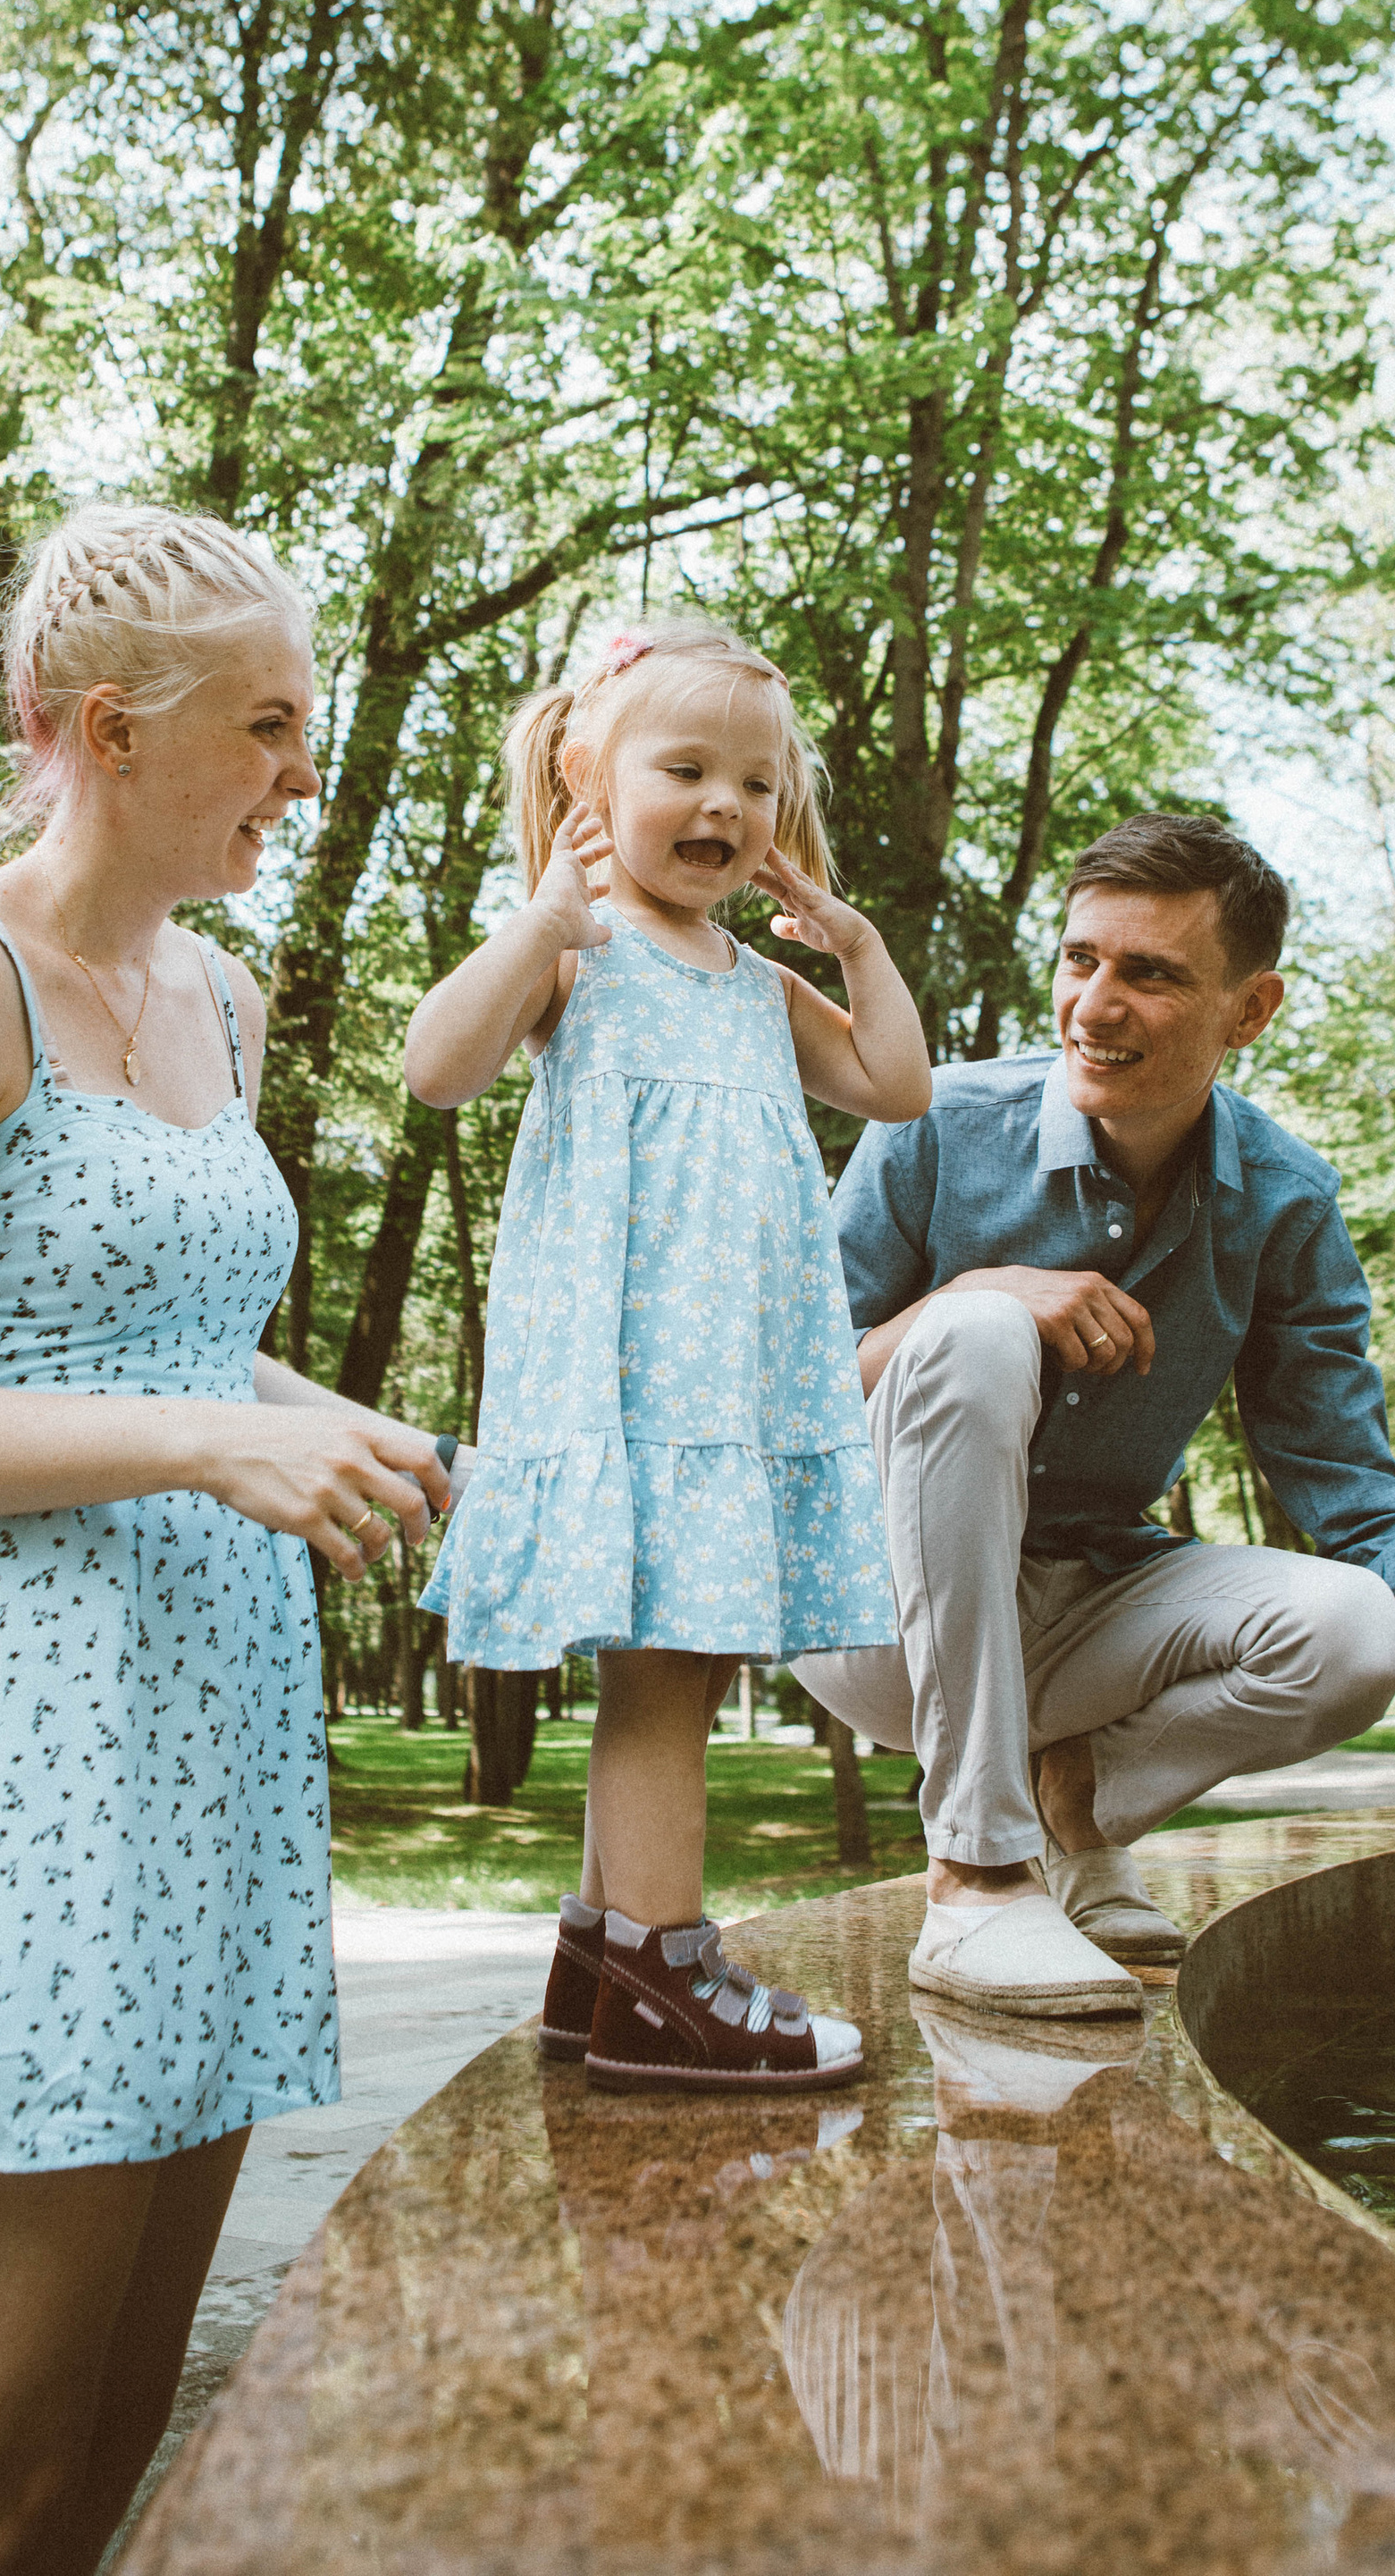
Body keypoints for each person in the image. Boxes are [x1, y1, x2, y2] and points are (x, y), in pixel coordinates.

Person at [0, 505, 449, 2576]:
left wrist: (394, 1449)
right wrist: (193, 1448)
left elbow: (196, 1351)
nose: (301, 773)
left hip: (215, 1748)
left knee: (108, 2444)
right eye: (268, 725)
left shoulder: (216, 1001)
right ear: (107, 731)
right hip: (19, 1758)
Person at [794, 812, 1395, 2018]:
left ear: (1249, 1010)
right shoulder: (937, 1123)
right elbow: (787, 1389)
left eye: (1150, 975)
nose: (1094, 1006)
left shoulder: (1283, 1204)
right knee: (977, 1329)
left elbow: (1349, 1485)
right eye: (1081, 960)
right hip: (874, 1611)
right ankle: (975, 1877)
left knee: (1355, 1633)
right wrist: (977, 1293)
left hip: (1086, 1608)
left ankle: (1076, 1801)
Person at [406, 615, 931, 2092]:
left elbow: (895, 1085)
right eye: (685, 769)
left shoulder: (759, 988)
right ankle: (660, 1963)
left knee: (679, 1663)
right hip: (633, 1382)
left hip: (738, 1382)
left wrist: (858, 943)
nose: (724, 808)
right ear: (589, 773)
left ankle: (596, 1967)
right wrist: (532, 927)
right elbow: (436, 1069)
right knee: (672, 1662)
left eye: (756, 787)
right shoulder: (581, 956)